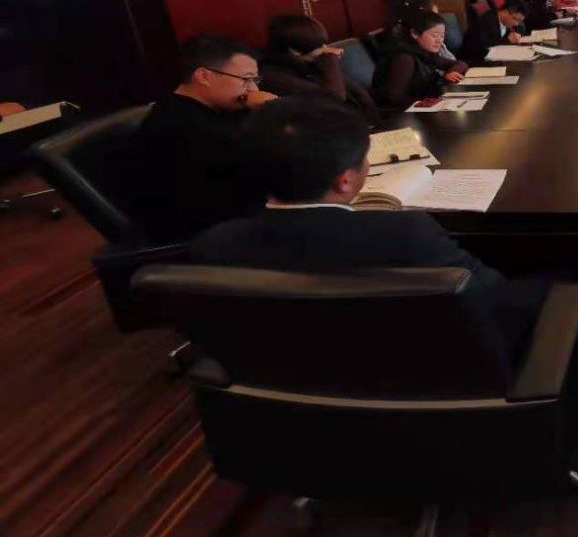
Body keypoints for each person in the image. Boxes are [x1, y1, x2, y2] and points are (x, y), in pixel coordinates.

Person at [190, 98, 546, 355]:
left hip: (286, 396)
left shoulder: (215, 244)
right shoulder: (406, 233)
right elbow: (496, 302)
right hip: (432, 381)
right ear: (345, 180)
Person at [130, 35, 277, 239]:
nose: (254, 89)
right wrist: (275, 114)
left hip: (235, 213)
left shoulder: (215, 110)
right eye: (246, 79)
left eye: (255, 80)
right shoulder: (183, 126)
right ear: (204, 76)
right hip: (210, 235)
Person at [260, 15, 378, 124]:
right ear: (294, 51)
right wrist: (330, 59)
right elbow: (334, 97)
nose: (326, 48)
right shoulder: (274, 76)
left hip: (359, 124)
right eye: (320, 46)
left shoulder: (309, 64)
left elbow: (359, 95)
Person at [373, 9, 469, 109]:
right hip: (402, 113)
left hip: (424, 106)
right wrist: (432, 103)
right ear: (414, 33)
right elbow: (395, 98)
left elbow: (461, 64)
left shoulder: (424, 52)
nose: (439, 41)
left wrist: (451, 73)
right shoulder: (404, 59)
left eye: (442, 36)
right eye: (434, 35)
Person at [460, 0, 528, 63]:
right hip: (473, 60)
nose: (516, 24)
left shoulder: (505, 22)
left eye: (520, 21)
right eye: (516, 19)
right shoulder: (487, 21)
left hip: (492, 58)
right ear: (505, 12)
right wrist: (507, 40)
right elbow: (483, 46)